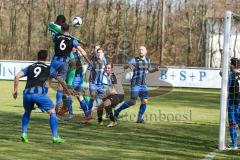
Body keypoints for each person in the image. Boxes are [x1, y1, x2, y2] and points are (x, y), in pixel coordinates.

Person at [12, 50, 64, 143]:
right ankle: (55, 137)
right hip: (39, 94)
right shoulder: (49, 68)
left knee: (27, 112)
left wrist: (15, 91)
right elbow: (60, 79)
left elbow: (17, 76)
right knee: (52, 112)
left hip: (27, 94)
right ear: (46, 57)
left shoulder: (30, 67)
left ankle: (24, 134)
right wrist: (67, 90)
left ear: (38, 57)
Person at [50, 23, 88, 116]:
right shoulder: (72, 44)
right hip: (70, 72)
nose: (73, 48)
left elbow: (78, 64)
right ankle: (84, 112)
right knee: (74, 93)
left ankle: (72, 112)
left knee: (70, 92)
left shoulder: (73, 54)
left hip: (72, 74)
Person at [114, 46, 159, 123]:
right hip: (135, 83)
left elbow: (150, 70)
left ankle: (139, 119)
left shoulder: (147, 60)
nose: (140, 51)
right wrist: (127, 66)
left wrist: (155, 69)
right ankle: (117, 111)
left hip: (143, 84)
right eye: (140, 50)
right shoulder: (135, 59)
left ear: (146, 51)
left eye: (142, 49)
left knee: (144, 101)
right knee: (132, 102)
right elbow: (126, 66)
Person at [82, 48, 107, 125]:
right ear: (96, 54)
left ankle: (102, 118)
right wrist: (86, 82)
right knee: (93, 95)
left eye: (101, 52)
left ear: (103, 54)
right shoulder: (93, 61)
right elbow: (88, 71)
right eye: (98, 52)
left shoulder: (104, 61)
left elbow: (106, 71)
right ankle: (88, 115)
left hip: (100, 85)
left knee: (104, 101)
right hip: (92, 83)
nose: (99, 54)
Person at [97, 62, 124, 127]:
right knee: (99, 107)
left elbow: (114, 90)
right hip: (113, 94)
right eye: (106, 68)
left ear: (111, 69)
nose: (107, 69)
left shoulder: (112, 76)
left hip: (119, 95)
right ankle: (100, 122)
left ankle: (113, 121)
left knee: (106, 103)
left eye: (108, 68)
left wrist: (105, 95)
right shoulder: (107, 75)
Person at [226, 57, 240, 150]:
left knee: (232, 123)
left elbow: (227, 82)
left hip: (232, 101)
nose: (229, 65)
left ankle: (234, 145)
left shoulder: (231, 74)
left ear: (233, 65)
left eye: (230, 64)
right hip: (239, 101)